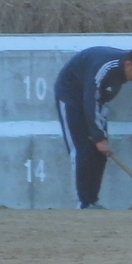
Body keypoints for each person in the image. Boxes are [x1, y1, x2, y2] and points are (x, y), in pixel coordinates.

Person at [55, 45, 130, 209]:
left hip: (95, 103)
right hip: (71, 98)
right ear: (129, 65)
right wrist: (98, 137)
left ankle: (92, 201)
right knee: (80, 149)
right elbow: (90, 100)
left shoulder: (120, 71)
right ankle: (82, 203)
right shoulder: (104, 67)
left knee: (99, 153)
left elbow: (98, 103)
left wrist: (101, 139)